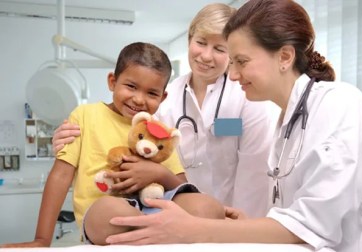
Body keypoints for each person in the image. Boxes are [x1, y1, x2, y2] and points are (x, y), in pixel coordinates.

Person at [98, 0, 362, 251]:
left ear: (284, 57)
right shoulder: (288, 121)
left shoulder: (340, 105)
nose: (232, 74)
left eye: (241, 61)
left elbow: (314, 223)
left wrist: (199, 229)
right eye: (232, 62)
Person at [51, 3, 278, 218]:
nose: (206, 56)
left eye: (220, 48)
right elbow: (128, 141)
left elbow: (254, 178)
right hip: (178, 213)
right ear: (190, 39)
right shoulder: (162, 98)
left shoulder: (248, 100)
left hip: (232, 216)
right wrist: (70, 145)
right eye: (200, 42)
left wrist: (239, 230)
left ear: (232, 54)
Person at [1, 42, 224, 248]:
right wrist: (42, 239)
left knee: (208, 207)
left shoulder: (159, 130)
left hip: (154, 210)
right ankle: (158, 234)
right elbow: (60, 177)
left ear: (162, 97)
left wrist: (157, 173)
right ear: (112, 82)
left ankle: (155, 233)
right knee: (112, 210)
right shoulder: (85, 116)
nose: (139, 99)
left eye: (151, 93)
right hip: (104, 214)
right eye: (131, 86)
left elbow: (179, 186)